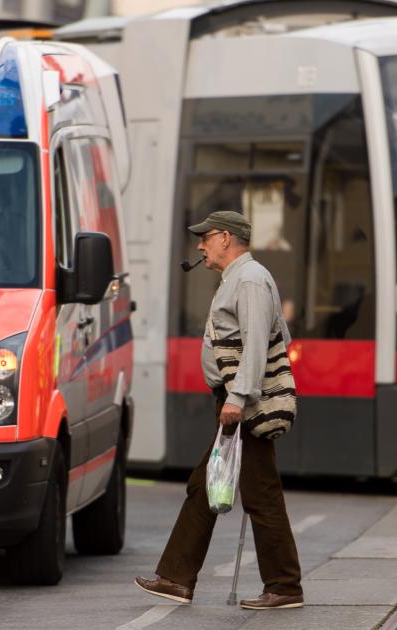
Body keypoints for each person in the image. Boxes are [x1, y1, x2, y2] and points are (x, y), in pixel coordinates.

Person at [135, 210, 304, 610]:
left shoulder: (249, 280)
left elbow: (259, 342)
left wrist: (238, 397)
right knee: (206, 485)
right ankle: (176, 577)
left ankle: (284, 586)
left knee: (259, 494)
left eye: (206, 237)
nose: (200, 245)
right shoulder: (239, 280)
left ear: (226, 238)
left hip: (242, 405)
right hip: (232, 401)